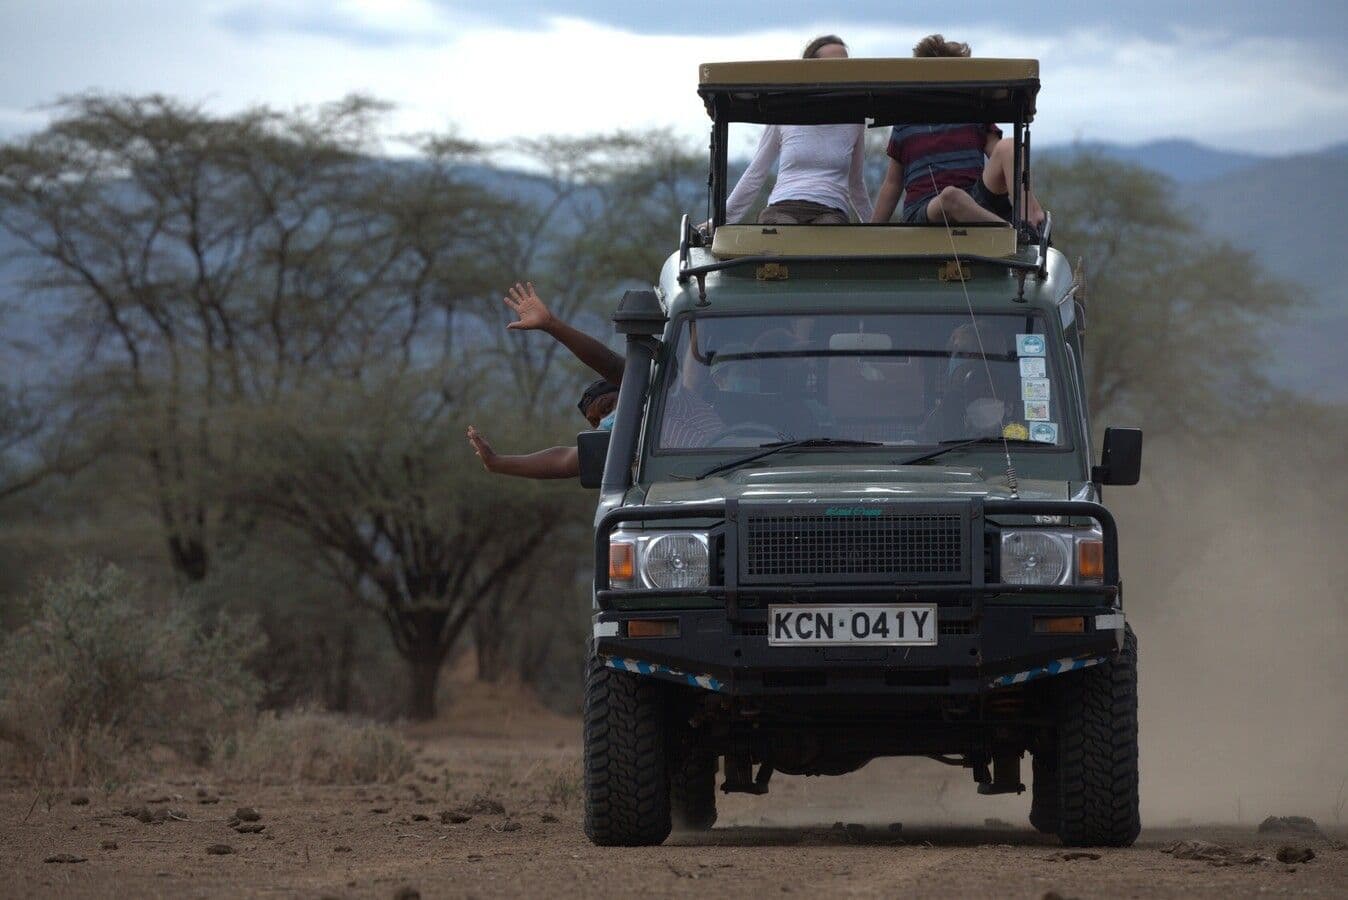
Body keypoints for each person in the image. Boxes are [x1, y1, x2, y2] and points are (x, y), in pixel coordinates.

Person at [871, 34, 1045, 231]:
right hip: (926, 209)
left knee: (1009, 147)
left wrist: (1029, 198)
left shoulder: (973, 115)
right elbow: (893, 183)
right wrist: (872, 231)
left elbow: (1005, 158)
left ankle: (1030, 221)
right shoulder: (906, 124)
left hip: (974, 202)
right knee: (951, 197)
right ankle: (1008, 231)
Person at [467, 283, 622, 479]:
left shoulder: (652, 396)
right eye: (596, 422)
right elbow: (562, 460)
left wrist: (551, 324)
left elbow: (612, 366)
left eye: (608, 408)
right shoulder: (618, 449)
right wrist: (496, 462)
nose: (605, 421)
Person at [723, 35, 873, 226]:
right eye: (831, 66)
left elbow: (856, 185)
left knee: (830, 230)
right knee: (781, 229)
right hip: (784, 205)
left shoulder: (854, 119)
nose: (838, 72)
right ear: (810, 71)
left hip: (831, 209)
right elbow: (756, 172)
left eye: (844, 66)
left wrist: (876, 228)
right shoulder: (785, 114)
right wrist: (721, 220)